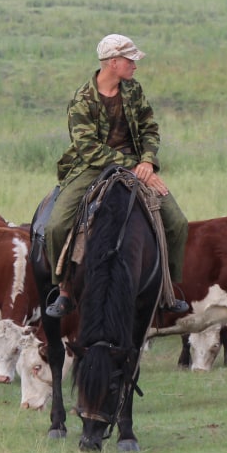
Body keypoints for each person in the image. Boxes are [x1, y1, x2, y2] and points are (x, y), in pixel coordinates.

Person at [45, 34, 189, 318]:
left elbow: (150, 128)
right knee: (55, 227)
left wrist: (147, 160)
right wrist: (133, 167)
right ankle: (62, 288)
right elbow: (89, 149)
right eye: (130, 60)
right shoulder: (82, 100)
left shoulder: (133, 90)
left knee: (178, 223)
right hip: (92, 166)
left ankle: (167, 288)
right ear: (113, 63)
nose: (135, 65)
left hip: (137, 165)